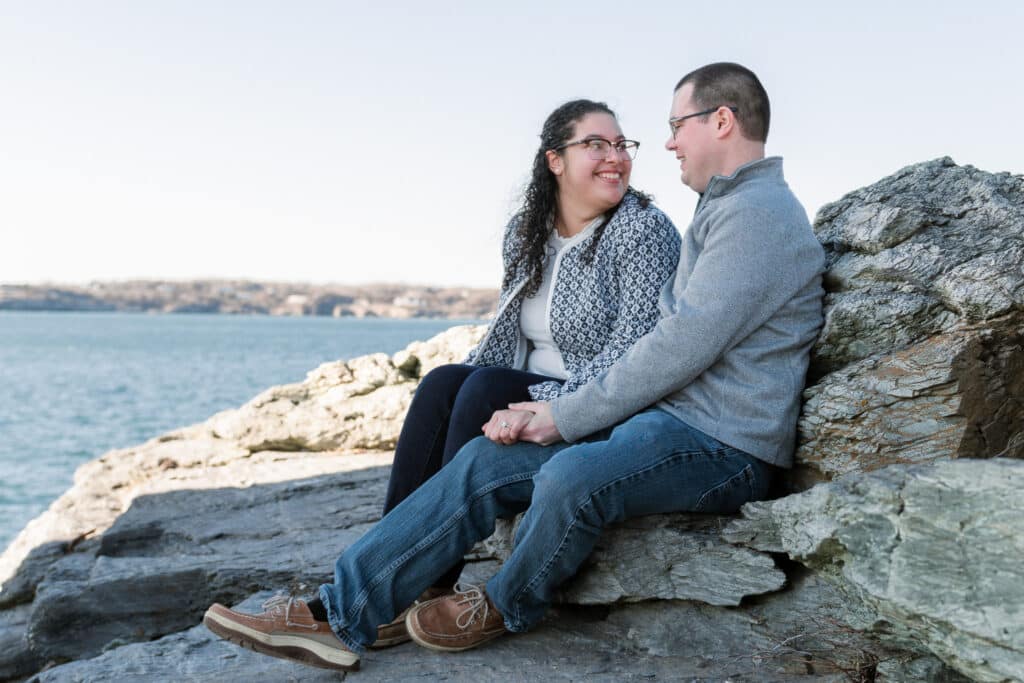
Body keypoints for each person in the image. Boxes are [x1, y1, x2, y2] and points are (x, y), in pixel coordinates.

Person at [203, 63, 826, 674]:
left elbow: (677, 346)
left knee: (572, 476)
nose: (665, 143)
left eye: (675, 125)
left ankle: (504, 603)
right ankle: (337, 615)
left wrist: (561, 414)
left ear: (721, 120)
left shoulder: (757, 216)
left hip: (725, 447)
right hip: (670, 427)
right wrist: (544, 409)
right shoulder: (726, 208)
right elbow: (669, 340)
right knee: (482, 461)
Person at [371, 98, 680, 646]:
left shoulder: (643, 230)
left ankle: (418, 583)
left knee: (484, 387)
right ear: (555, 160)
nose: (616, 157)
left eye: (621, 145)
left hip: (598, 400)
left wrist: (543, 404)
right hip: (522, 383)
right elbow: (508, 332)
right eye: (596, 145)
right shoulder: (526, 231)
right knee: (444, 382)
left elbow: (639, 348)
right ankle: (396, 568)